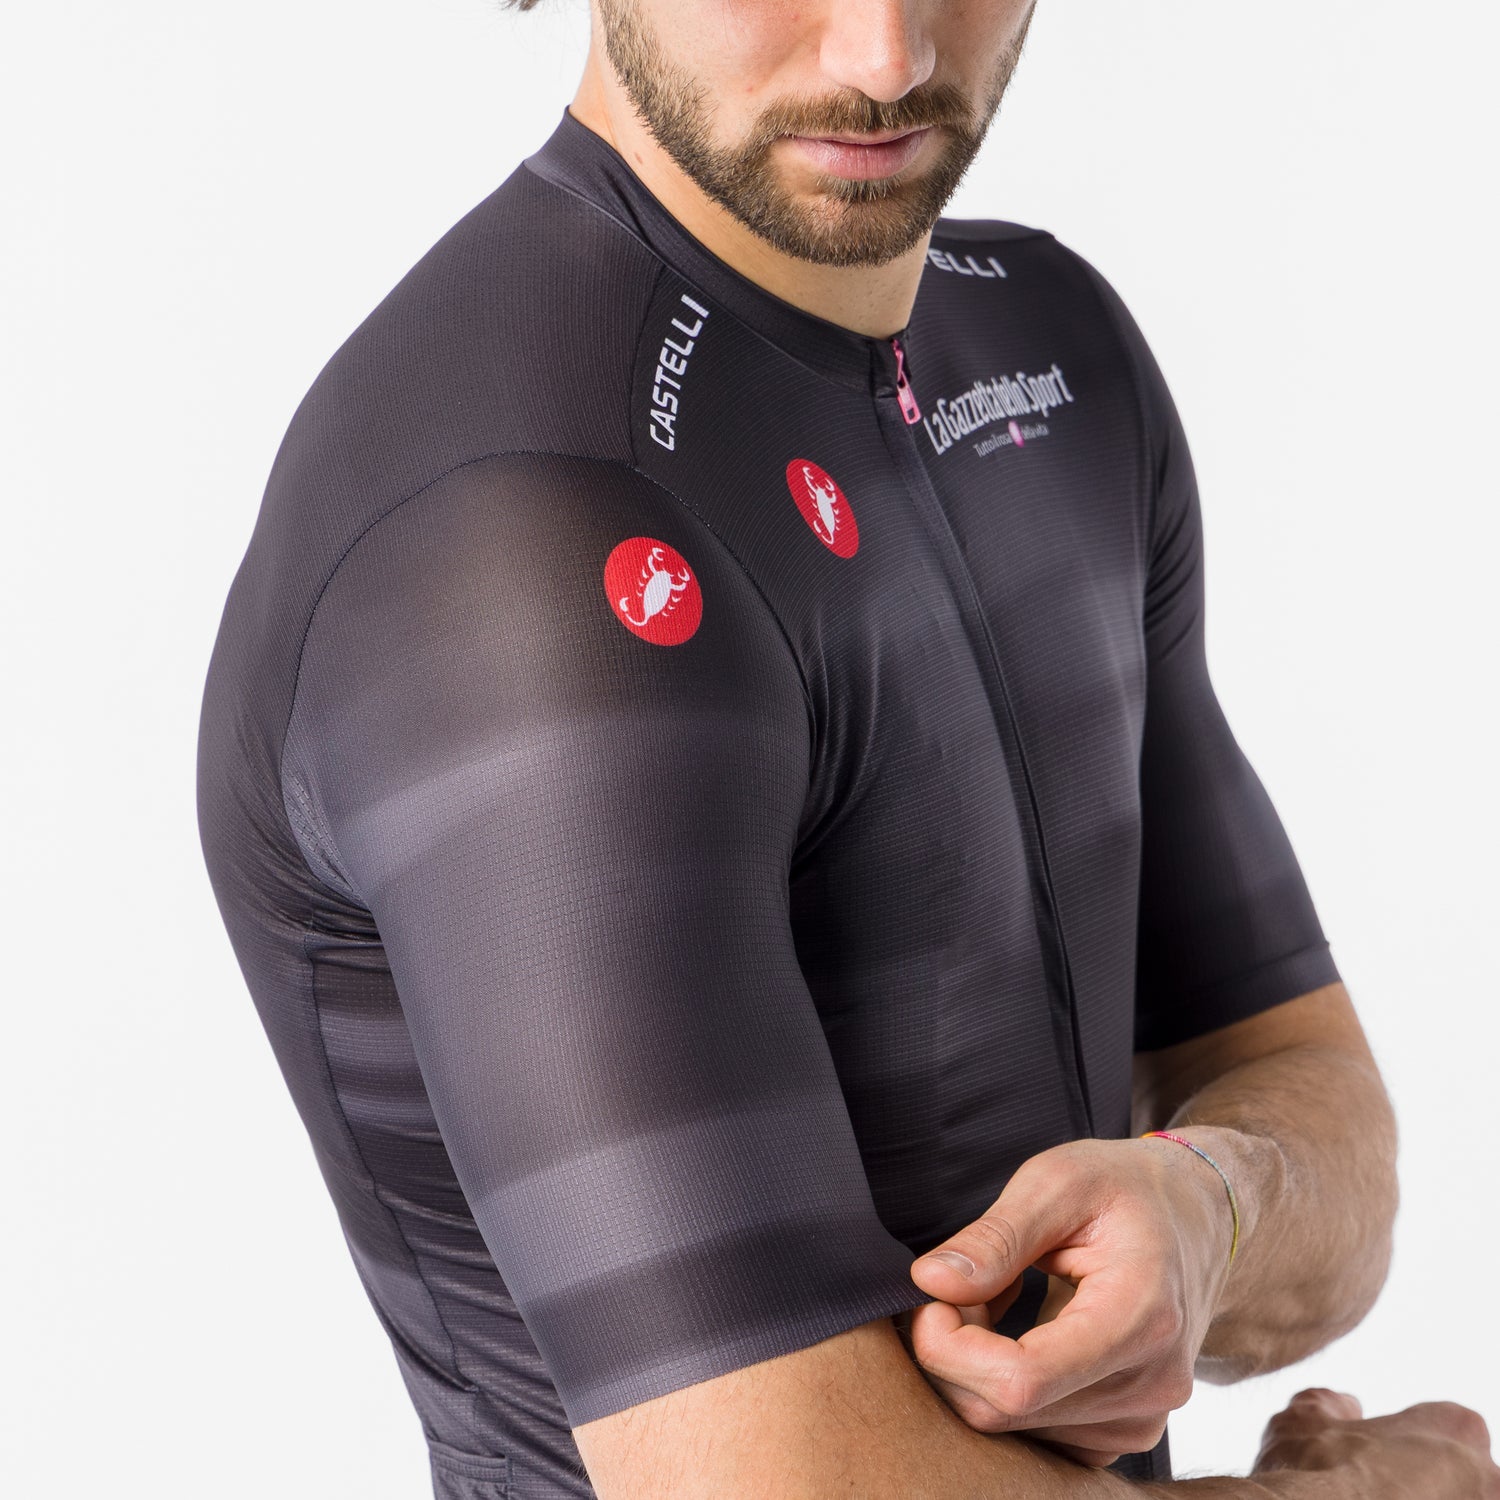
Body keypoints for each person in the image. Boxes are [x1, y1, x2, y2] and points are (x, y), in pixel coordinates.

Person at [194, 1, 1496, 1496]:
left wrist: (1214, 1203)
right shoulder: (521, 530)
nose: (888, 57)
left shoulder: (1053, 346)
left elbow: (1322, 1118)